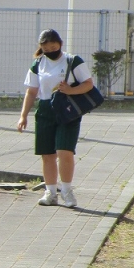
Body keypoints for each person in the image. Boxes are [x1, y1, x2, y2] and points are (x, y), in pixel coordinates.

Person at [15, 28, 95, 208]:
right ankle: (50, 192)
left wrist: (71, 90)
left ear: (60, 44)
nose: (51, 50)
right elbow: (31, 91)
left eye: (54, 46)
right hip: (45, 109)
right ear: (41, 48)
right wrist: (23, 116)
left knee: (64, 151)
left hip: (67, 110)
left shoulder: (72, 61)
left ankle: (66, 191)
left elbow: (89, 84)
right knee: (47, 154)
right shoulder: (38, 64)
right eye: (46, 48)